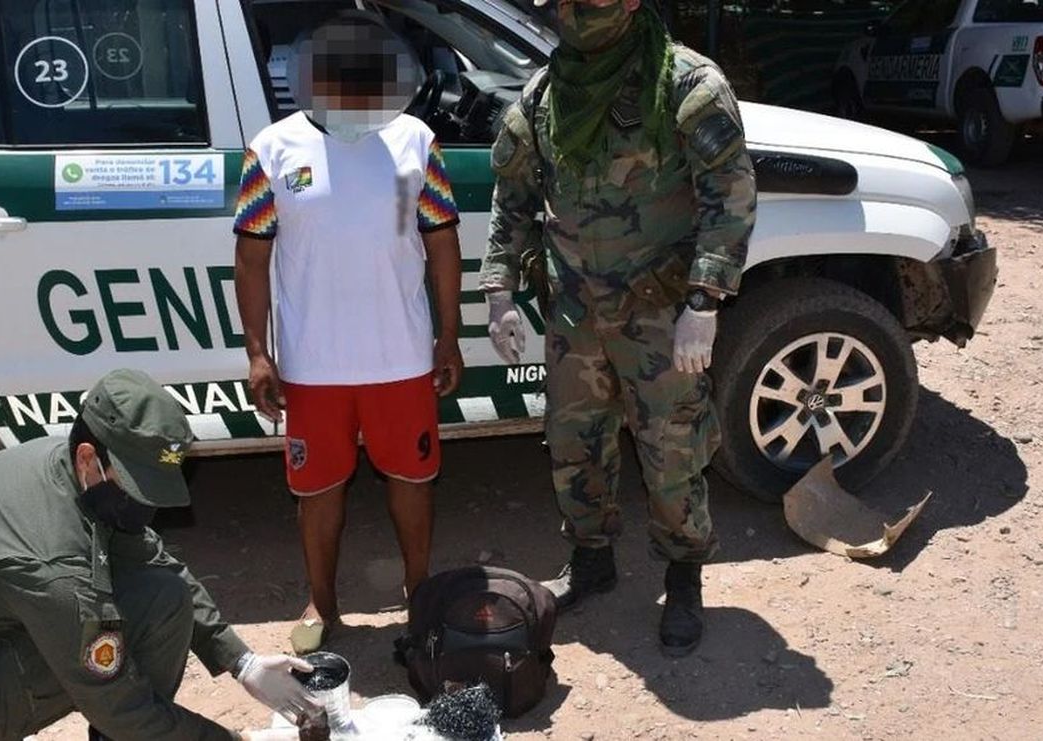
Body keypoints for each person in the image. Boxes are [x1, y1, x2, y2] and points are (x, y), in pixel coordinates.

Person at [479, 0, 756, 656]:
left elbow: (731, 193)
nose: (573, 13)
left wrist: (705, 301)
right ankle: (592, 558)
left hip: (658, 315)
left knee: (673, 448)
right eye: (560, 3)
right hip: (574, 314)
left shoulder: (686, 85)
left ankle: (683, 575)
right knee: (575, 443)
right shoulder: (548, 92)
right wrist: (499, 293)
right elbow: (512, 196)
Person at [0, 369, 318, 740]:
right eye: (136, 487)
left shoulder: (70, 470)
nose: (147, 506)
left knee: (163, 596)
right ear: (89, 458)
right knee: (110, 668)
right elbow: (115, 699)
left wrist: (243, 662)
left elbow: (159, 565)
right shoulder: (52, 566)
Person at [231, 13, 464, 654]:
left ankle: (420, 593)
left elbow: (440, 243)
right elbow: (251, 258)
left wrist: (449, 335)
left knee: (412, 481)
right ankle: (322, 602)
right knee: (318, 490)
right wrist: (259, 353)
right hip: (313, 365)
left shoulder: (416, 142)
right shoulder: (272, 149)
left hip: (401, 357)